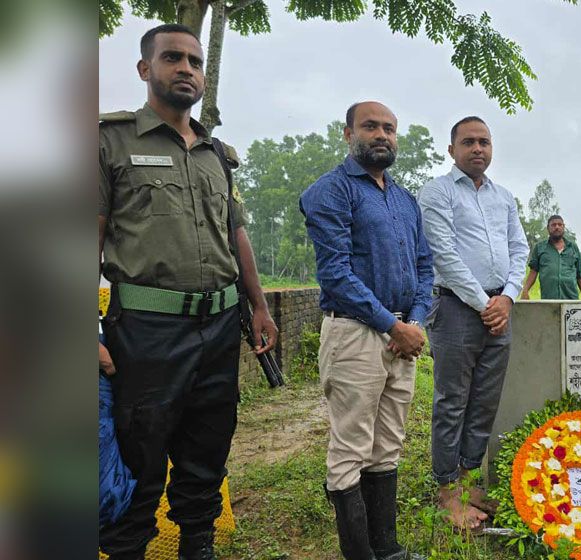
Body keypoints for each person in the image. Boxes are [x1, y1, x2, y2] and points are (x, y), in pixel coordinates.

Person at [98, 24, 278, 559]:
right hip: (147, 334)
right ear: (144, 69)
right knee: (139, 457)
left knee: (207, 450)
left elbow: (236, 233)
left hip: (221, 328)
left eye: (195, 62)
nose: (186, 69)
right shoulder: (111, 140)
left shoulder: (216, 153)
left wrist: (261, 306)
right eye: (172, 58)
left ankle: (198, 547)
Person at [299, 101, 432, 560]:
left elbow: (425, 267)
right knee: (351, 445)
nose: (382, 135)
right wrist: (392, 324)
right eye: (371, 126)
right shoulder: (330, 192)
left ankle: (387, 550)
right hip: (355, 334)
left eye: (390, 128)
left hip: (402, 338)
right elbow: (335, 274)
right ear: (347, 133)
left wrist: (412, 323)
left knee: (388, 444)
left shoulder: (403, 199)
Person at [417, 116, 529, 530]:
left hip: (499, 309)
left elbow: (519, 249)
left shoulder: (504, 197)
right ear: (452, 150)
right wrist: (487, 303)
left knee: (484, 401)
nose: (477, 148)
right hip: (456, 311)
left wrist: (508, 297)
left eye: (484, 141)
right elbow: (443, 253)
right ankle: (447, 491)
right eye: (468, 142)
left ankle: (468, 480)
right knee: (453, 402)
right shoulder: (438, 191)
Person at [521, 214, 581, 300]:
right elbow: (533, 271)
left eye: (560, 225)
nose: (557, 227)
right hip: (548, 301)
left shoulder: (572, 247)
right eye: (553, 225)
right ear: (548, 228)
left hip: (571, 300)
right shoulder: (540, 247)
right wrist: (525, 291)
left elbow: (580, 274)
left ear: (563, 227)